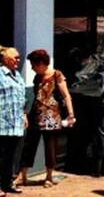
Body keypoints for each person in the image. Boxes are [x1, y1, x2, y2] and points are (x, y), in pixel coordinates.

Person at [16, 49, 75, 188]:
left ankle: (49, 176)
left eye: (34, 65)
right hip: (36, 115)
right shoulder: (37, 77)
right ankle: (22, 174)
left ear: (41, 63)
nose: (32, 68)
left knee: (50, 147)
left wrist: (70, 113)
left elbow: (66, 95)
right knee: (29, 145)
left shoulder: (56, 75)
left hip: (51, 116)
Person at [0, 47, 26, 196]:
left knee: (11, 156)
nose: (18, 60)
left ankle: (7, 183)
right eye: (15, 57)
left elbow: (22, 98)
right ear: (5, 59)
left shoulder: (17, 76)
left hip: (15, 123)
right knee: (1, 155)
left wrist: (24, 114)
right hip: (2, 123)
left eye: (18, 57)